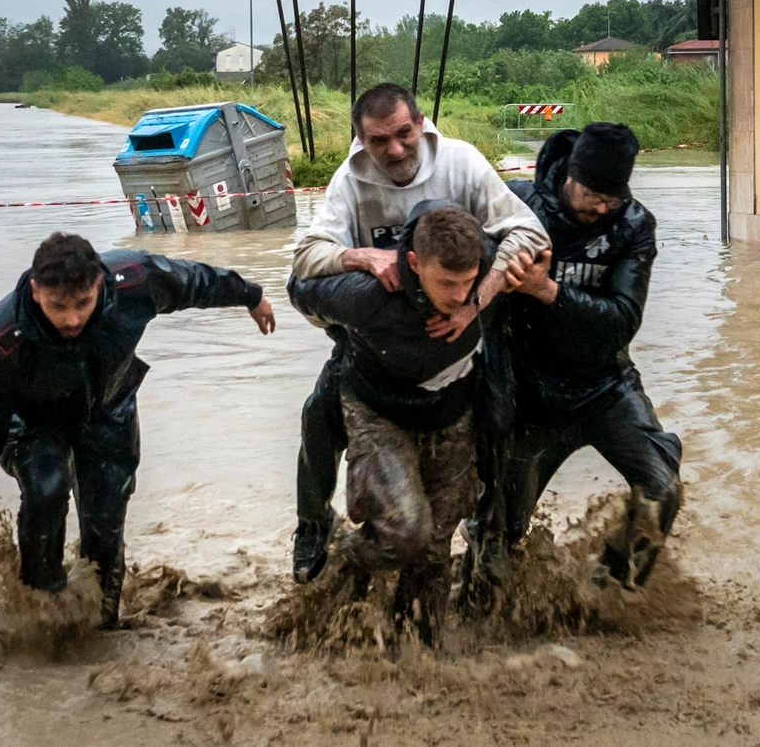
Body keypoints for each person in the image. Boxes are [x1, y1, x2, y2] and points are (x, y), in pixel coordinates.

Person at [0, 233, 275, 628]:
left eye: (82, 303)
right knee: (48, 487)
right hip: (31, 423)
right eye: (58, 306)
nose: (72, 319)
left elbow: (193, 280)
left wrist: (250, 295)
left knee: (105, 526)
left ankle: (100, 634)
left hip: (108, 407)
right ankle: (42, 607)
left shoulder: (134, 281)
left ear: (98, 285)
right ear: (35, 289)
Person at [289, 82, 547, 583]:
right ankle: (313, 522)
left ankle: (491, 528)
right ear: (361, 141)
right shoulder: (350, 180)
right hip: (380, 327)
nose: (395, 149)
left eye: (404, 134)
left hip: (464, 320)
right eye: (379, 141)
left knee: (501, 411)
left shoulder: (460, 163)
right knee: (320, 411)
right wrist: (359, 255)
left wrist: (477, 297)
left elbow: (530, 233)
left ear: (421, 124)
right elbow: (303, 260)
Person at [484, 123, 683, 590]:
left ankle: (612, 587)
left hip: (605, 386)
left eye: (611, 200)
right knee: (500, 533)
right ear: (569, 176)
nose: (599, 207)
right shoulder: (516, 205)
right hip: (530, 396)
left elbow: (621, 320)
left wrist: (545, 290)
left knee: (662, 490)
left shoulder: (634, 225)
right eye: (592, 193)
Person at [288, 203, 493, 640]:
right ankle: (342, 565)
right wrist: (343, 321)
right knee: (406, 530)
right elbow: (298, 286)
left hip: (451, 409)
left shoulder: (488, 276)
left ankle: (417, 650)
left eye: (467, 282)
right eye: (447, 283)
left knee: (435, 549)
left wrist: (482, 298)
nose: (459, 296)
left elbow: (530, 240)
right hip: (377, 408)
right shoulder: (367, 295)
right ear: (415, 265)